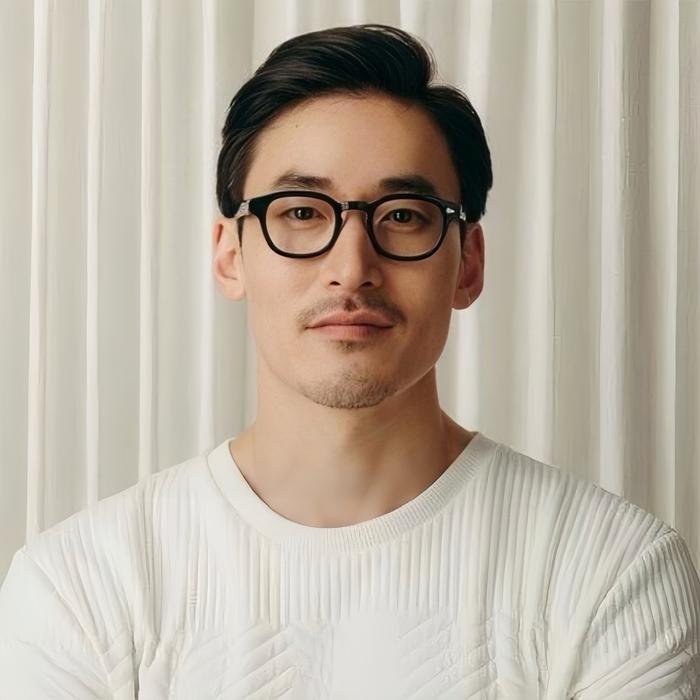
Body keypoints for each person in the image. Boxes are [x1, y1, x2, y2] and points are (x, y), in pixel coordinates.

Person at [1, 23, 698, 699]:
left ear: (468, 263)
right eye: (302, 212)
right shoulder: (82, 586)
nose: (352, 266)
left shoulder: (612, 570)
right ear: (230, 254)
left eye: (403, 215)